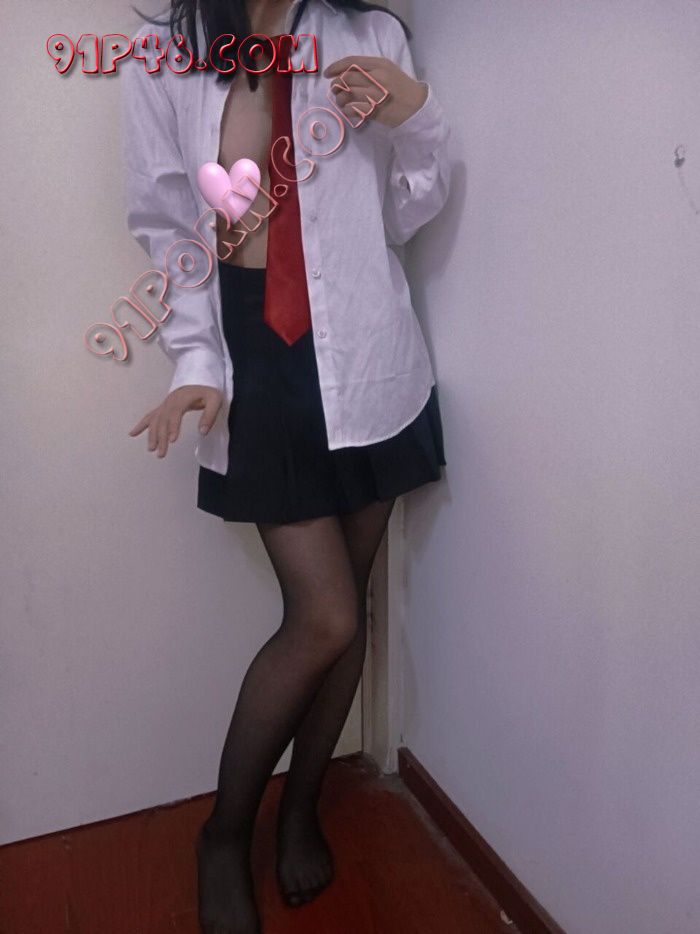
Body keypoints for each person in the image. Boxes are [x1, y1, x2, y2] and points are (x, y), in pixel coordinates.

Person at [123, 0, 452, 930]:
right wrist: (194, 360)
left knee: (351, 613)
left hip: (366, 350)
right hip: (253, 354)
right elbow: (166, 223)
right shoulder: (163, 52)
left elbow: (405, 214)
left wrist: (416, 116)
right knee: (326, 616)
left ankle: (302, 809)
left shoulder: (371, 36)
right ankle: (224, 834)